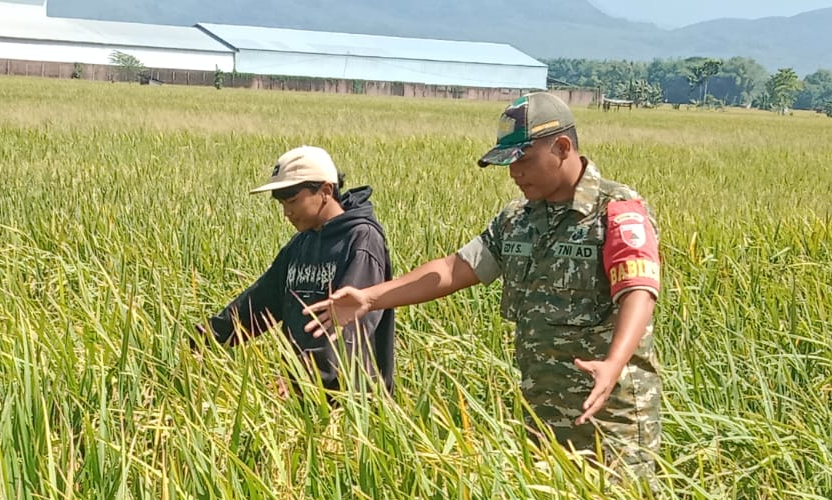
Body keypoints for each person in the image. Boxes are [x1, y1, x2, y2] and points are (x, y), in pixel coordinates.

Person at [304, 93, 661, 480]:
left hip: (610, 417)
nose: (515, 173)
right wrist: (370, 298)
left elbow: (637, 291)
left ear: (562, 147)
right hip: (541, 413)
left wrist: (613, 363)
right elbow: (454, 269)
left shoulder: (615, 210)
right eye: (509, 164)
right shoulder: (516, 220)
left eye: (524, 160)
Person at [196, 146, 395, 395]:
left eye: (292, 201)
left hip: (352, 399)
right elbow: (261, 301)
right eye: (282, 203)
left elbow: (352, 325)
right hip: (301, 391)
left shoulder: (361, 239)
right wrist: (205, 339)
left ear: (326, 191)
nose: (286, 212)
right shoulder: (301, 243)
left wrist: (306, 375)